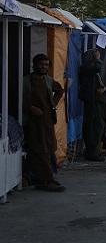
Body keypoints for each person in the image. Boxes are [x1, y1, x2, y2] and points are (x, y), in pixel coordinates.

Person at [22, 54, 66, 192]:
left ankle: (47, 179)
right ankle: (46, 180)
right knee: (40, 150)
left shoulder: (48, 80)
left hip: (47, 120)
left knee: (49, 147)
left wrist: (52, 105)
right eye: (41, 64)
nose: (44, 67)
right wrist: (30, 108)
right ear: (35, 65)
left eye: (46, 65)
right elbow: (17, 99)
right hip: (33, 122)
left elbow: (60, 90)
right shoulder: (26, 81)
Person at [79, 48, 106, 162]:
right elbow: (97, 68)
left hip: (97, 100)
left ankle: (94, 150)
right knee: (93, 127)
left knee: (99, 126)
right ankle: (92, 152)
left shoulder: (92, 71)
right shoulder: (86, 68)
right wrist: (98, 59)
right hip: (91, 100)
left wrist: (103, 88)